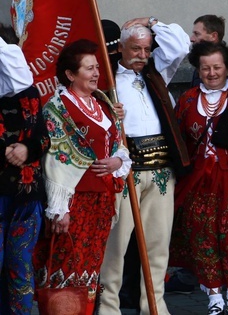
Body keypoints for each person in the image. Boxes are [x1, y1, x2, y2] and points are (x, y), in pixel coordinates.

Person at [99, 16, 190, 315]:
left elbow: (179, 44)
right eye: (136, 49)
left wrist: (152, 21)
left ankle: (154, 305)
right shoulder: (106, 79)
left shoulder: (156, 72)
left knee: (158, 242)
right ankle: (109, 306)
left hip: (162, 169)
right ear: (121, 48)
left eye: (147, 49)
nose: (142, 55)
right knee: (117, 244)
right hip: (126, 170)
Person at [35, 39, 131, 315]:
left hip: (100, 201)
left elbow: (118, 145)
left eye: (97, 67)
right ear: (70, 74)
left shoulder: (101, 103)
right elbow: (55, 161)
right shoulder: (58, 108)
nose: (96, 73)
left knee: (89, 272)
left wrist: (116, 161)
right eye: (89, 68)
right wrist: (59, 208)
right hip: (73, 202)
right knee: (66, 269)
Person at [170, 41, 228, 314]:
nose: (211, 73)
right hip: (198, 181)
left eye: (217, 67)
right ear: (198, 70)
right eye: (205, 68)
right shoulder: (187, 99)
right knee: (203, 238)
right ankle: (214, 298)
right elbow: (179, 143)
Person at [0, 26, 48, 315]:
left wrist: (27, 150)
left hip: (25, 194)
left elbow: (44, 137)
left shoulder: (29, 94)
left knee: (19, 262)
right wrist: (4, 150)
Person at [189, 14, 228, 89]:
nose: (192, 39)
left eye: (197, 34)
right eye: (205, 68)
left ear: (213, 36)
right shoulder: (198, 62)